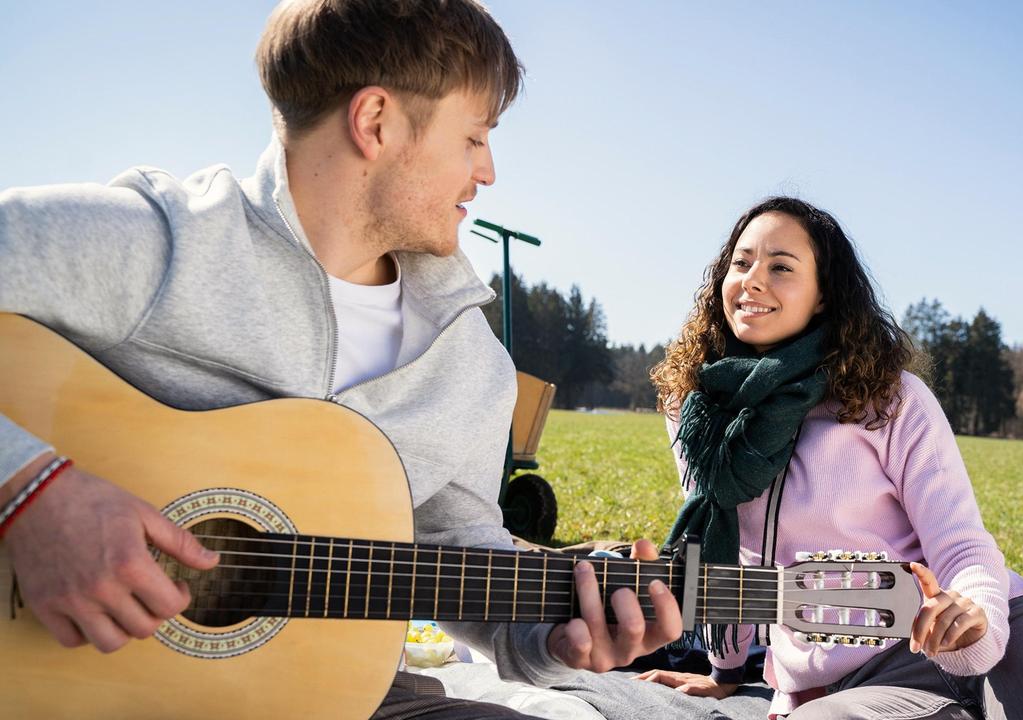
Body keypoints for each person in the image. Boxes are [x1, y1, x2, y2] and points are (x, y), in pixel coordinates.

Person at [0, 2, 679, 718]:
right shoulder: (160, 244)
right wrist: (31, 491)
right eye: (475, 137)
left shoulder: (469, 359)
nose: (488, 172)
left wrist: (558, 639)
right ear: (376, 122)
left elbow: (467, 559)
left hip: (349, 699)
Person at [636, 197, 1023, 719]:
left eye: (781, 267)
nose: (753, 280)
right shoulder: (697, 413)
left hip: (1007, 632)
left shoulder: (889, 398)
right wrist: (725, 674)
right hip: (851, 682)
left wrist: (975, 619)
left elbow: (962, 543)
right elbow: (737, 558)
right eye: (741, 263)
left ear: (822, 297)